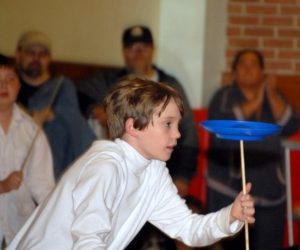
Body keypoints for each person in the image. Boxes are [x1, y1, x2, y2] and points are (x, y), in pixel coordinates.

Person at [7, 78, 255, 250]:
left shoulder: (153, 171)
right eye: (168, 124)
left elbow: (187, 228)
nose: (178, 134)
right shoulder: (104, 167)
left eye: (177, 125)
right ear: (133, 126)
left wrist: (230, 216)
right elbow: (89, 241)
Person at [77, 25, 198, 197]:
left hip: (164, 175)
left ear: (152, 50)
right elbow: (78, 93)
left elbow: (189, 133)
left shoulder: (170, 86)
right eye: (132, 48)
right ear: (124, 52)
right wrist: (96, 109)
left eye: (143, 48)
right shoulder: (110, 82)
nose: (138, 53)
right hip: (119, 177)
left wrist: (182, 178)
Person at [206, 49, 300, 250]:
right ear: (234, 72)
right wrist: (258, 97)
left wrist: (271, 95)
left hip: (271, 193)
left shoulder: (273, 97)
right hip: (228, 192)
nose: (248, 69)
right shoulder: (223, 97)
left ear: (262, 72)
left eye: (254, 65)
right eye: (243, 64)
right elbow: (230, 126)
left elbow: (291, 124)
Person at [14, 31, 96, 180]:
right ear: (18, 55)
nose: (36, 58)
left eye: (42, 54)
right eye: (30, 52)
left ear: (50, 58)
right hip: (15, 167)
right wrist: (31, 119)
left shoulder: (62, 88)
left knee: (57, 124)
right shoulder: (8, 88)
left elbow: (77, 128)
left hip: (58, 168)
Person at [0, 56, 55, 247]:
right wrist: (2, 186)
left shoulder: (31, 130)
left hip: (20, 229)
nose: (3, 85)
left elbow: (42, 185)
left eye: (10, 79)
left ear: (19, 86)